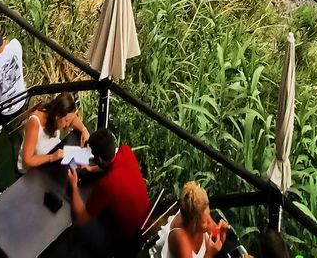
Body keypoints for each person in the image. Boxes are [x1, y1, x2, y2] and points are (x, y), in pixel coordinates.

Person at [69, 127, 150, 256]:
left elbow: (82, 218)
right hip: (144, 228)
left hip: (124, 243)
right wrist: (91, 169)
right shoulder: (126, 151)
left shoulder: (106, 184)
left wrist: (73, 186)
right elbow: (111, 165)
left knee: (78, 226)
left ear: (99, 159)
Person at [18, 93, 90, 172]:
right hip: (33, 168)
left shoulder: (57, 113)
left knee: (75, 167)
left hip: (53, 155)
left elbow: (72, 118)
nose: (68, 124)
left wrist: (83, 129)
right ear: (57, 117)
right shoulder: (35, 123)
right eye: (66, 120)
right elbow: (27, 160)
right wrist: (51, 157)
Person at [157, 182, 229, 258]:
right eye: (204, 221)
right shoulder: (180, 238)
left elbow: (217, 240)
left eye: (209, 213)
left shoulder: (200, 212)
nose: (209, 221)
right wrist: (209, 254)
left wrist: (222, 233)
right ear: (193, 223)